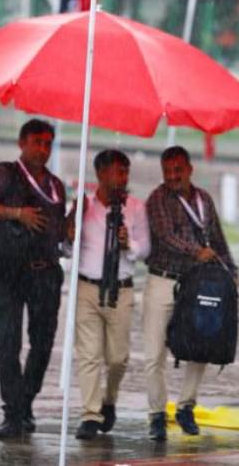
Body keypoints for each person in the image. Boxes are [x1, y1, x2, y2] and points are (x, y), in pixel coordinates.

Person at [0, 119, 67, 440]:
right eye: (37, 142)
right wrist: (17, 214)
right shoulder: (5, 173)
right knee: (9, 341)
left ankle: (26, 400)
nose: (43, 149)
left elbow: (60, 239)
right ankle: (12, 412)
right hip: (8, 272)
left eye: (48, 144)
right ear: (22, 143)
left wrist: (70, 226)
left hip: (45, 273)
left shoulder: (56, 186)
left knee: (42, 343)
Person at [143, 146, 237, 441]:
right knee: (154, 354)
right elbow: (165, 236)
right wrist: (197, 251)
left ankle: (186, 406)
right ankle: (157, 414)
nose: (172, 176)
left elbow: (218, 240)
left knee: (203, 343)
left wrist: (232, 274)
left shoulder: (204, 200)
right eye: (167, 171)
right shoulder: (157, 198)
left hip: (197, 284)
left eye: (178, 170)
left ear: (189, 169)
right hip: (162, 281)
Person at [68, 149, 150, 440]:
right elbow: (67, 251)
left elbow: (145, 249)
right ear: (100, 174)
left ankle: (109, 399)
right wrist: (70, 229)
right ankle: (90, 414)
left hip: (121, 290)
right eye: (118, 172)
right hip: (87, 288)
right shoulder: (84, 207)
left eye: (126, 172)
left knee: (117, 357)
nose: (123, 178)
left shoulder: (136, 208)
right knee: (88, 355)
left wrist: (129, 244)